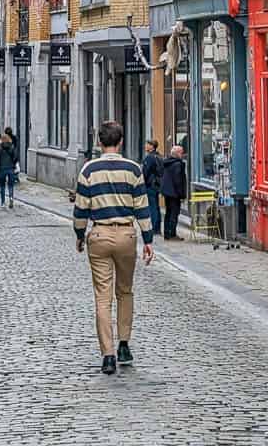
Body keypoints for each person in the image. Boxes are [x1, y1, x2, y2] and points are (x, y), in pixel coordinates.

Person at [73, 120, 153, 375]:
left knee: (102, 297)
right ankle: (124, 345)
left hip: (99, 234)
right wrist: (148, 239)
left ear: (99, 142)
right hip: (126, 235)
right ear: (120, 142)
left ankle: (107, 355)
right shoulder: (133, 169)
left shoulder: (88, 170)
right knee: (125, 291)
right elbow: (142, 205)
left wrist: (78, 233)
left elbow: (81, 207)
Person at [160, 144, 187, 241]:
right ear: (177, 154)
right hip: (174, 193)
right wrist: (181, 194)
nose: (182, 154)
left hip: (167, 192)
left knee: (168, 212)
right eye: (181, 152)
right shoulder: (177, 164)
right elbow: (178, 181)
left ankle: (167, 233)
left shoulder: (167, 162)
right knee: (174, 214)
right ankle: (172, 234)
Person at [141, 139, 164, 237]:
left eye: (147, 144)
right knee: (156, 206)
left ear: (151, 146)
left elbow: (145, 172)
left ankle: (154, 228)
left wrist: (143, 183)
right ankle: (157, 227)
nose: (145, 146)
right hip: (157, 184)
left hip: (150, 185)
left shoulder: (149, 158)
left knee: (152, 207)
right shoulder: (159, 156)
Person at [0, 129, 19, 209]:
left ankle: (2, 202)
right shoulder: (12, 147)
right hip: (10, 168)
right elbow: (15, 157)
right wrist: (13, 163)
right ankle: (11, 198)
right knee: (10, 185)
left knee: (2, 186)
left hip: (2, 168)